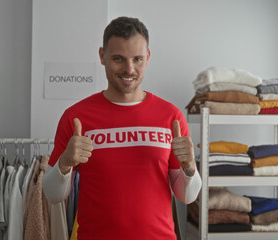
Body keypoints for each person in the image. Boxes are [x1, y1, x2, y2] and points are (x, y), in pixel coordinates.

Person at [42, 16, 202, 240]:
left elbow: (188, 196)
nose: (129, 69)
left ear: (147, 57)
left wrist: (189, 168)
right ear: (102, 56)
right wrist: (64, 163)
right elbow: (52, 195)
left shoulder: (171, 117)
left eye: (137, 59)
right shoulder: (75, 117)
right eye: (119, 59)